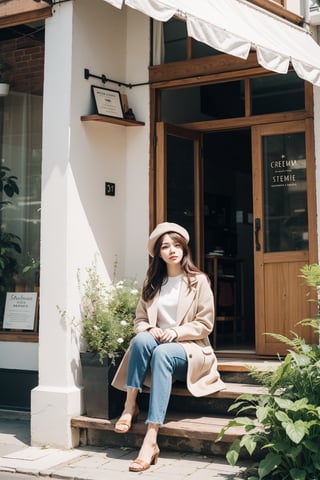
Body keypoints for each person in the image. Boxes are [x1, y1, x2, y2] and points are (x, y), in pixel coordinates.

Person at [111, 222, 225, 472]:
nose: (172, 250)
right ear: (158, 253)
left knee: (162, 352)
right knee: (141, 339)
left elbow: (205, 324)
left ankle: (151, 438)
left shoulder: (198, 281)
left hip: (190, 350)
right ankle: (130, 405)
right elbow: (139, 321)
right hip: (157, 344)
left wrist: (176, 331)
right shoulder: (152, 282)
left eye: (176, 245)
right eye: (165, 246)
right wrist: (150, 329)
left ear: (184, 249)